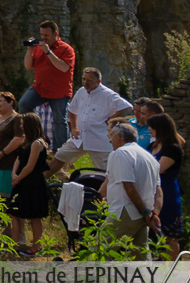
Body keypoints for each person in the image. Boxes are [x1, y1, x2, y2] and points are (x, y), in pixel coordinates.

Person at [51, 67, 134, 177]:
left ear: (98, 81)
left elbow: (126, 106)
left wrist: (112, 119)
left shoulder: (107, 94)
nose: (85, 83)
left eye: (89, 80)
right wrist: (73, 128)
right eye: (84, 79)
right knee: (60, 156)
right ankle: (43, 182)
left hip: (99, 139)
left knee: (104, 172)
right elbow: (72, 110)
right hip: (80, 138)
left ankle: (103, 193)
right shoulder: (81, 91)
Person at [101, 120, 161, 255]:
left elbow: (129, 187)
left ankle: (87, 276)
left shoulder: (121, 153)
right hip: (142, 214)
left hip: (125, 211)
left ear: (120, 137)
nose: (109, 139)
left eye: (111, 135)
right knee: (139, 258)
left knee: (99, 252)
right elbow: (158, 191)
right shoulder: (149, 157)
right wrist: (153, 213)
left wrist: (146, 213)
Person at [19, 19, 77, 150]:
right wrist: (30, 50)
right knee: (23, 104)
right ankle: (33, 140)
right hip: (40, 88)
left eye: (47, 35)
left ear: (55, 34)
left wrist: (49, 52)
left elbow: (63, 68)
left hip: (59, 91)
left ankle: (60, 151)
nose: (44, 38)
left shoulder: (66, 49)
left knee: (59, 120)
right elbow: (28, 66)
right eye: (42, 35)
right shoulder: (39, 48)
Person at [8, 112, 49, 255]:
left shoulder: (37, 143)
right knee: (13, 213)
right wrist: (14, 174)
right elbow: (19, 159)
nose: (20, 126)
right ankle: (15, 245)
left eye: (22, 123)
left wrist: (18, 178)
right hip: (21, 181)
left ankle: (36, 247)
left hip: (33, 183)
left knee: (34, 216)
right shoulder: (26, 142)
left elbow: (30, 166)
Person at [149, 113, 184, 259]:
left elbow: (158, 169)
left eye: (152, 127)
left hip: (167, 192)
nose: (149, 130)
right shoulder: (153, 145)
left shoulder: (173, 149)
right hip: (152, 192)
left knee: (170, 235)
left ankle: (173, 271)